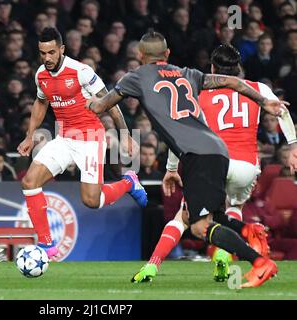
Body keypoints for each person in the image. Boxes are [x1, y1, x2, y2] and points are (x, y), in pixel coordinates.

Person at [87, 31, 290, 288]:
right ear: (167, 54)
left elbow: (99, 107)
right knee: (216, 218)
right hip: (217, 150)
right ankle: (248, 231)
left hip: (198, 156)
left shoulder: (136, 76)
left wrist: (88, 101)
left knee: (197, 227)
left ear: (140, 56)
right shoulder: (188, 73)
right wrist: (265, 102)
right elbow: (233, 82)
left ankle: (260, 263)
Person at [17, 28, 146, 259]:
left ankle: (128, 182)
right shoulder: (41, 75)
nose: (47, 58)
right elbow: (40, 103)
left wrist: (125, 134)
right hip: (64, 137)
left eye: (51, 52)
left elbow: (111, 102)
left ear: (62, 50)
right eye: (42, 53)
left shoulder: (81, 71)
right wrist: (29, 135)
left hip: (89, 138)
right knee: (29, 182)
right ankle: (47, 244)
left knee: (91, 200)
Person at [197, 45, 297, 281]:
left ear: (212, 68)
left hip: (215, 162)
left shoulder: (200, 93)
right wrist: (293, 145)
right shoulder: (258, 88)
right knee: (235, 207)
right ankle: (224, 253)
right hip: (246, 164)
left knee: (205, 217)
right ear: (239, 68)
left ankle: (218, 250)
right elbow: (281, 112)